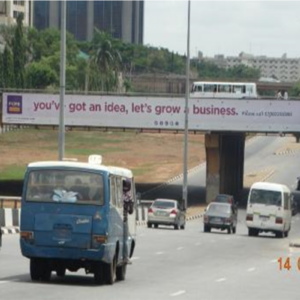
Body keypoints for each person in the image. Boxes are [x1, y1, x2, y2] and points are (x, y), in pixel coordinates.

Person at [122, 178, 134, 264]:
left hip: (115, 218)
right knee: (125, 239)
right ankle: (125, 257)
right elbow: (131, 211)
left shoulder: (117, 192)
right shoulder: (129, 196)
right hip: (124, 219)